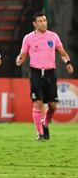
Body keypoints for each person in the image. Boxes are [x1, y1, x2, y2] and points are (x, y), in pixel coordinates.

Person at [16, 12, 74, 141]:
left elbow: (63, 53)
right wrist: (19, 60)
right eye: (40, 21)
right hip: (36, 73)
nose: (43, 23)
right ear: (34, 24)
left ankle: (45, 123)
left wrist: (68, 63)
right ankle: (40, 133)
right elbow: (23, 54)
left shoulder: (53, 36)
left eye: (45, 20)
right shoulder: (28, 38)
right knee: (38, 103)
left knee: (52, 106)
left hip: (50, 73)